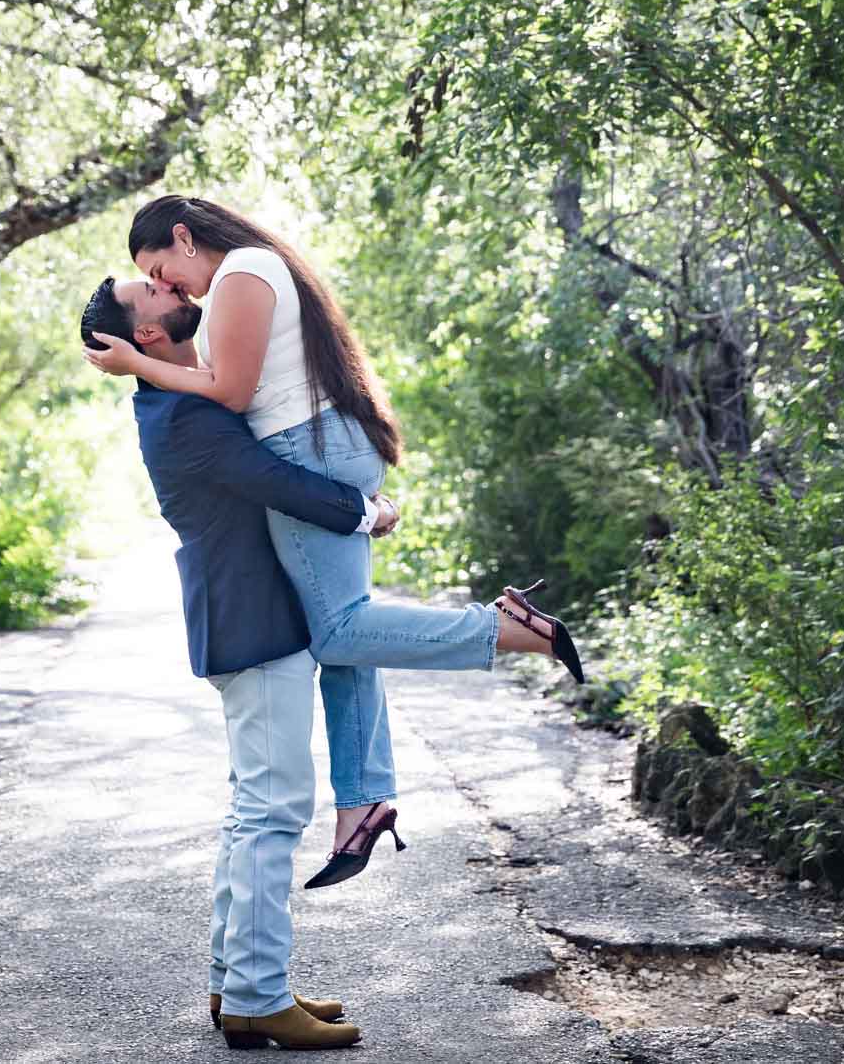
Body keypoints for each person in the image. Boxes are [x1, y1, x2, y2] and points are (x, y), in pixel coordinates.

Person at [83, 196, 587, 889]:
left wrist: (139, 368)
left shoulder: (239, 275)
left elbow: (228, 392)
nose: (170, 284)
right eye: (153, 282)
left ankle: (497, 628)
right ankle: (363, 803)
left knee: (341, 630)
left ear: (182, 236)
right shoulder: (248, 272)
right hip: (320, 444)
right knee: (351, 628)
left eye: (160, 268)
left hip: (306, 450)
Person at [79, 273, 379, 1050]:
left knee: (255, 808)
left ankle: (239, 981)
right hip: (252, 621)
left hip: (246, 618)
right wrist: (366, 511)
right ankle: (255, 994)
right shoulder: (182, 414)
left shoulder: (180, 394)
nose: (163, 284)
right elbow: (272, 480)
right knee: (273, 809)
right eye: (146, 290)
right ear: (146, 334)